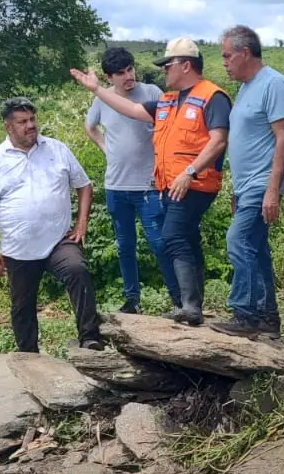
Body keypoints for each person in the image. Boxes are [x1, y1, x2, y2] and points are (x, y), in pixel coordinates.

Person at [71, 37, 229, 326]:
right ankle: (188, 304)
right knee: (181, 240)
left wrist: (190, 171)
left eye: (168, 65)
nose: (163, 70)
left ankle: (186, 305)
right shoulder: (167, 100)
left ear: (185, 66)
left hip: (187, 183)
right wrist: (96, 90)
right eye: (121, 73)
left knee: (170, 238)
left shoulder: (211, 96)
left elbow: (218, 140)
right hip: (167, 186)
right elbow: (130, 111)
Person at [0, 97, 102, 354]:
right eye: (22, 122)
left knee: (77, 271)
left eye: (32, 119)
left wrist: (81, 224)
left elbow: (84, 185)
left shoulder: (57, 149)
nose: (30, 125)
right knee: (22, 305)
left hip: (59, 239)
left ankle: (89, 338)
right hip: (18, 247)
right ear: (8, 127)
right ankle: (28, 354)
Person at [83, 45, 177, 312]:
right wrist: (106, 148)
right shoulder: (102, 99)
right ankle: (132, 300)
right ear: (109, 77)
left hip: (148, 185)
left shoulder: (151, 92)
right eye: (120, 73)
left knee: (160, 244)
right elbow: (90, 127)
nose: (128, 76)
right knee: (125, 246)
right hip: (116, 186)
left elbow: (168, 129)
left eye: (130, 69)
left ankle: (179, 299)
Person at [215, 24, 284, 338]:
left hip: (262, 184)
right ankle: (267, 318)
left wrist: (272, 190)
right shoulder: (245, 88)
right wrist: (237, 188)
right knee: (256, 249)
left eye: (227, 56)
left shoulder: (273, 83)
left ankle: (245, 314)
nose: (224, 63)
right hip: (246, 187)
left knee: (238, 241)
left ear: (245, 53)